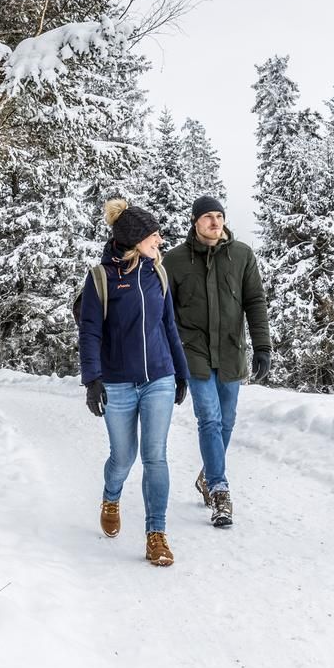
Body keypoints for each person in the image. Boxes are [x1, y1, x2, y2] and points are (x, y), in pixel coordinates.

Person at [79, 199, 190, 567]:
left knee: (154, 456)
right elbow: (91, 332)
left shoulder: (156, 274)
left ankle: (155, 534)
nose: (160, 240)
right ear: (134, 238)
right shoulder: (101, 278)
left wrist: (180, 372)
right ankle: (111, 496)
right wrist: (92, 379)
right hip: (118, 384)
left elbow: (168, 326)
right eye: (153, 235)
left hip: (158, 376)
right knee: (123, 457)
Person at [162, 196, 271, 527]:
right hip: (193, 351)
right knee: (209, 418)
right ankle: (220, 490)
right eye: (207, 216)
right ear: (195, 221)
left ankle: (207, 475)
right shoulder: (176, 260)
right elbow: (164, 312)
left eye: (219, 216)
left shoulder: (241, 255)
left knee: (226, 420)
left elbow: (255, 301)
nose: (214, 221)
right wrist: (168, 356)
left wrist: (262, 346)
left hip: (230, 351)